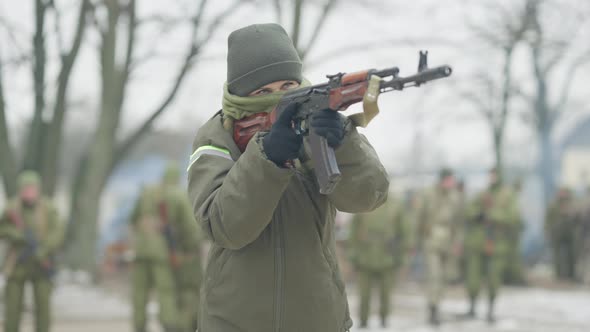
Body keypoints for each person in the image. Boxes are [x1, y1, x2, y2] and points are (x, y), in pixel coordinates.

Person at [187, 23, 389, 332]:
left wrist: (344, 143)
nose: (277, 98)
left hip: (318, 318)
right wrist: (266, 157)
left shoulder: (318, 123)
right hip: (234, 321)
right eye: (262, 91)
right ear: (241, 94)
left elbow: (369, 196)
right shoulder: (218, 136)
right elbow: (225, 226)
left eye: (286, 86)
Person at [129, 163, 201, 332]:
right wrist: (191, 248)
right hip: (162, 252)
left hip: (140, 251)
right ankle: (169, 326)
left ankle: (139, 326)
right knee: (166, 292)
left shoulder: (146, 192)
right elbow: (189, 227)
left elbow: (133, 219)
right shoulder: (178, 195)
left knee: (139, 294)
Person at [0, 171, 64, 332]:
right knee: (13, 307)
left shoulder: (48, 208)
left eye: (32, 189)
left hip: (41, 263)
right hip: (17, 263)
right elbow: (2, 228)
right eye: (26, 189)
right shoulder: (12, 208)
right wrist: (16, 235)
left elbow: (58, 232)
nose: (29, 193)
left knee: (43, 308)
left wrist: (44, 249)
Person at [463, 167, 519, 323]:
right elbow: (469, 209)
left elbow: (513, 217)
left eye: (494, 175)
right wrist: (478, 215)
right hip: (478, 242)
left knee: (494, 279)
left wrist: (492, 215)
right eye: (490, 174)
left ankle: (491, 310)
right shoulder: (483, 193)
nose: (492, 177)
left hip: (498, 243)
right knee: (473, 277)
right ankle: (472, 306)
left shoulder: (508, 195)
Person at [348, 195, 407, 328]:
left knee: (386, 292)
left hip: (387, 256)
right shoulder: (362, 203)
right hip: (365, 256)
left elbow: (403, 232)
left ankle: (384, 319)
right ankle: (363, 320)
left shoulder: (395, 205)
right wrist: (353, 254)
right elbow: (353, 231)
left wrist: (401, 256)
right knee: (364, 293)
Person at [418, 168, 462, 325]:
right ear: (443, 180)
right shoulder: (429, 195)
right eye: (449, 179)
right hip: (431, 240)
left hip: (448, 241)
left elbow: (458, 222)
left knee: (443, 277)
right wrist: (416, 239)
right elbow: (419, 217)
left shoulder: (455, 197)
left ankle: (436, 305)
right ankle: (433, 309)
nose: (451, 183)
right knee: (434, 275)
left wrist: (457, 242)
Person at [545, 187, 578, 281]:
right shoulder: (553, 205)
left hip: (570, 233)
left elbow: (578, 218)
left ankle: (571, 275)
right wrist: (547, 230)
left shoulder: (573, 204)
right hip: (557, 233)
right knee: (557, 255)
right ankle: (558, 275)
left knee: (571, 254)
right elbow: (548, 219)